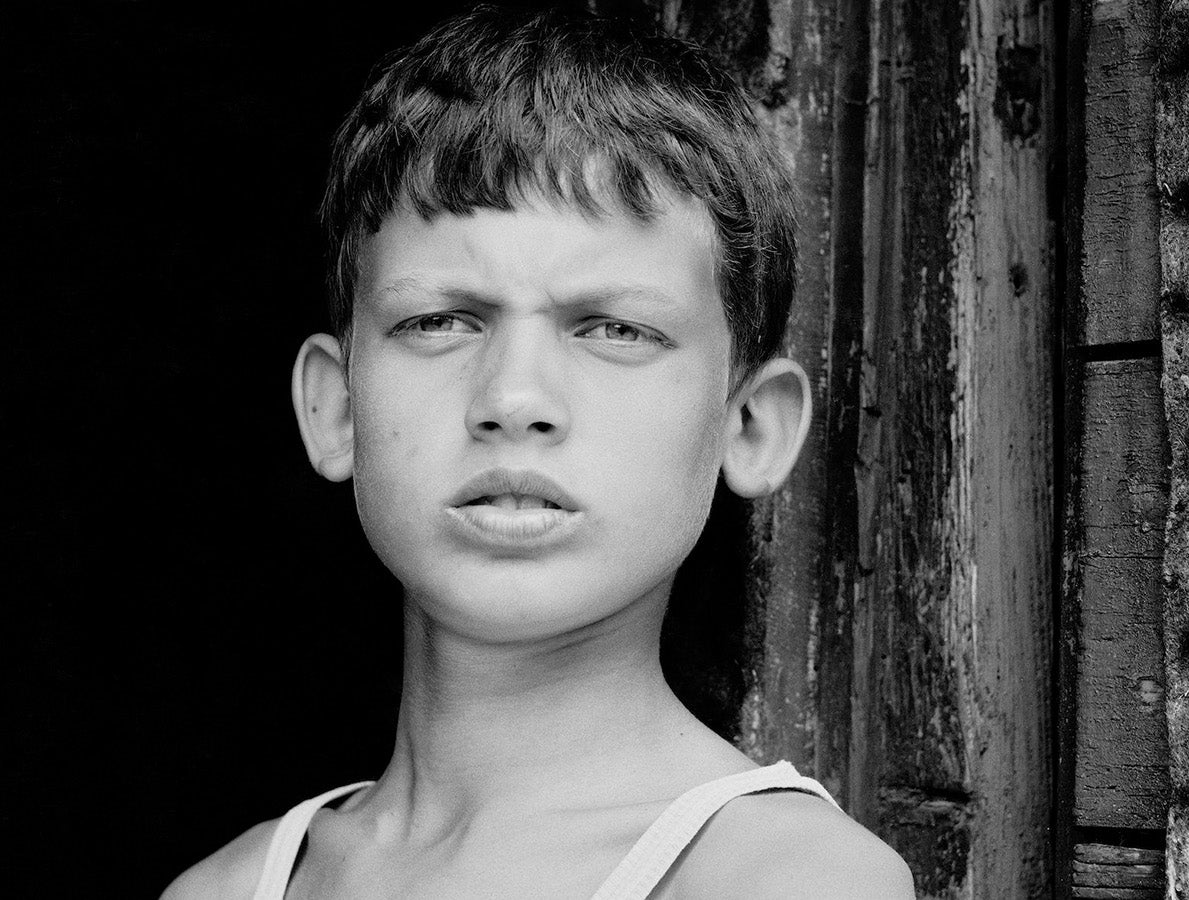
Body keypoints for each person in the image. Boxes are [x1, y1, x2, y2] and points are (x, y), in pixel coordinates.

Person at [163, 5, 915, 898]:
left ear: (749, 426)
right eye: (438, 320)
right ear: (336, 408)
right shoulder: (230, 888)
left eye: (616, 329)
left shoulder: (787, 879)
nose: (514, 400)